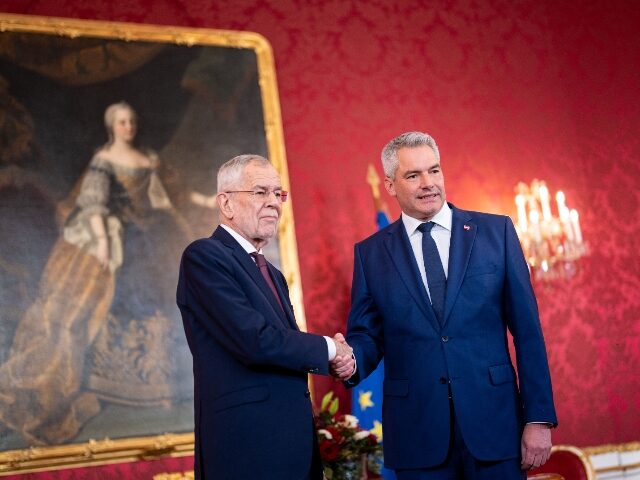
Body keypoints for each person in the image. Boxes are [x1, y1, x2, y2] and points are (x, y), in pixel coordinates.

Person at [338, 132, 557, 479]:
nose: (428, 183)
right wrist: (347, 360)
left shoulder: (495, 232)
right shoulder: (370, 254)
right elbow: (367, 336)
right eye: (413, 175)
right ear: (391, 185)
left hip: (496, 428)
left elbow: (529, 332)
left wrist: (538, 418)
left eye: (434, 170)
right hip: (417, 436)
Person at [0, 101, 188, 445]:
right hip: (116, 241)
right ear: (111, 126)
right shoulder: (102, 162)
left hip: (148, 237)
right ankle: (112, 380)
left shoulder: (148, 160)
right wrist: (103, 241)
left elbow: (161, 199)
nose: (128, 127)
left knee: (164, 292)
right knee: (97, 299)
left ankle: (160, 383)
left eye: (131, 121)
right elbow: (91, 203)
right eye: (121, 122)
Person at [176, 154, 354, 480]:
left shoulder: (271, 272)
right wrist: (329, 349)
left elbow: (288, 347)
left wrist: (333, 360)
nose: (274, 203)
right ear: (226, 204)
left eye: (278, 194)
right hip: (247, 450)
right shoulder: (204, 257)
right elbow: (255, 340)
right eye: (261, 192)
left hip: (294, 448)